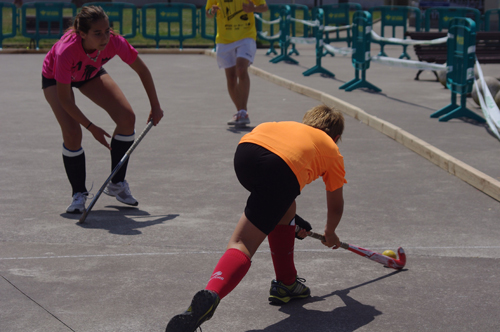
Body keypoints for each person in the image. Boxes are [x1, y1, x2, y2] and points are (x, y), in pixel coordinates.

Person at [165, 105, 347, 332]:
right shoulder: (331, 149)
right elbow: (336, 206)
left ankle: (287, 283)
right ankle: (212, 293)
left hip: (246, 154)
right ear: (337, 137)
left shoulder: (289, 127)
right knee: (242, 243)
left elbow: (274, 187)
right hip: (278, 170)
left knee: (285, 205)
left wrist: (286, 215)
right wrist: (330, 233)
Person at [42, 5, 164, 214]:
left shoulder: (115, 42)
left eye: (107, 30)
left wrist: (155, 105)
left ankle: (116, 183)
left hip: (89, 73)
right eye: (97, 33)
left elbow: (142, 70)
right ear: (82, 34)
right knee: (72, 132)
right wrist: (92, 127)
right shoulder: (66, 51)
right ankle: (78, 193)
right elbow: (65, 99)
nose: (104, 37)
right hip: (56, 80)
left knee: (127, 118)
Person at [205, 0, 268, 126]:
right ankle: (240, 112)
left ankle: (243, 112)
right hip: (224, 39)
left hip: (246, 36)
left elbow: (264, 7)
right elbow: (207, 13)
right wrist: (211, 11)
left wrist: (253, 8)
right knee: (231, 78)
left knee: (240, 69)